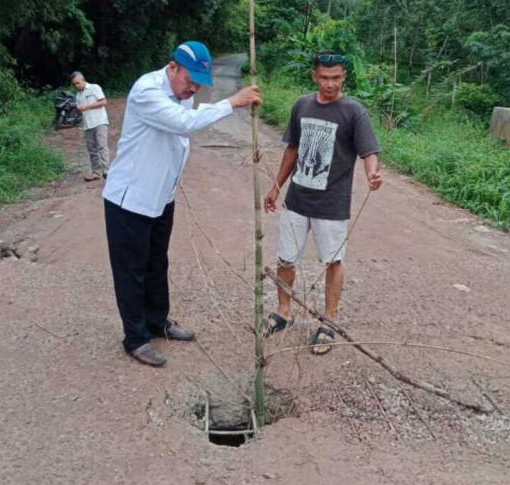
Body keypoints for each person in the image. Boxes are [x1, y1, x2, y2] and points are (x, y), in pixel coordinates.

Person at [103, 41, 262, 367]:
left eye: (198, 85)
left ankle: (157, 322)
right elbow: (182, 124)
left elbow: (182, 129)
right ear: (172, 67)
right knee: (131, 271)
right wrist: (233, 102)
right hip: (130, 199)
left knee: (157, 264)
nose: (193, 89)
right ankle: (135, 338)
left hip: (161, 196)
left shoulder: (181, 95)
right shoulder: (147, 90)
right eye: (190, 81)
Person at [263, 50, 383, 355]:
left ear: (343, 77)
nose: (331, 84)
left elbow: (368, 151)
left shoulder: (354, 111)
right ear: (315, 76)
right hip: (297, 199)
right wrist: (277, 186)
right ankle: (283, 312)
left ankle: (328, 322)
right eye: (325, 77)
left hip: (332, 203)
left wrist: (372, 174)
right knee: (286, 258)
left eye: (337, 78)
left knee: (332, 260)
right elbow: (292, 149)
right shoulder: (302, 105)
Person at [71, 71, 110, 182]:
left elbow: (103, 102)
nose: (76, 86)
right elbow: (80, 110)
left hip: (100, 121)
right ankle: (96, 172)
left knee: (102, 146)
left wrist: (87, 106)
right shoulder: (78, 95)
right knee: (92, 149)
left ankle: (107, 171)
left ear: (83, 80)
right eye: (74, 84)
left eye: (77, 83)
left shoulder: (94, 88)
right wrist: (78, 111)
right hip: (88, 124)